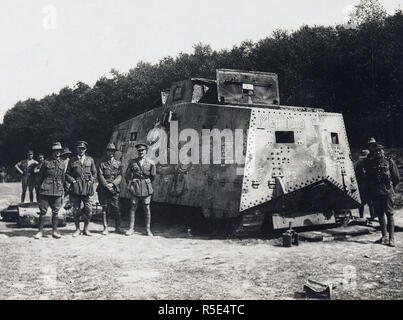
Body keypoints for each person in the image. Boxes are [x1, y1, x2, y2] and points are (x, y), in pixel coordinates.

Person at [362, 143, 400, 247]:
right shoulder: (371, 162)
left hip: (386, 192)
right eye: (376, 151)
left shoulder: (389, 162)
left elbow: (396, 178)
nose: (378, 152)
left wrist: (391, 189)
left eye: (380, 150)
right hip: (375, 192)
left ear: (383, 151)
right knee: (380, 214)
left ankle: (392, 238)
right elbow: (368, 177)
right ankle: (384, 236)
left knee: (389, 214)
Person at [65, 141, 97, 237]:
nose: (81, 150)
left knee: (89, 209)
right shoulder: (72, 160)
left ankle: (86, 229)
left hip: (87, 187)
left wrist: (92, 180)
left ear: (85, 150)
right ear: (77, 149)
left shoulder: (90, 160)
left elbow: (94, 173)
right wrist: (73, 181)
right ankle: (77, 229)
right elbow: (67, 174)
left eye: (83, 148)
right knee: (76, 209)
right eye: (79, 148)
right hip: (76, 188)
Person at [34, 142, 66, 239]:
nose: (57, 153)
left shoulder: (62, 163)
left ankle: (54, 231)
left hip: (57, 190)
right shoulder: (46, 163)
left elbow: (63, 178)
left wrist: (62, 190)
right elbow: (40, 178)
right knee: (43, 212)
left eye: (59, 151)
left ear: (61, 152)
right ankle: (40, 231)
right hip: (45, 190)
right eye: (55, 151)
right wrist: (40, 191)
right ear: (52, 152)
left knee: (56, 212)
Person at [125, 142, 156, 236]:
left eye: (142, 150)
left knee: (147, 207)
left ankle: (147, 229)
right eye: (139, 150)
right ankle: (131, 228)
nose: (141, 152)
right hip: (135, 187)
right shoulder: (132, 162)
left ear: (146, 151)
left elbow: (153, 176)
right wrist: (130, 184)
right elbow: (127, 175)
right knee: (133, 207)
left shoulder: (151, 163)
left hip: (146, 187)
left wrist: (147, 183)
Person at [97, 143, 123, 235]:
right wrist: (106, 185)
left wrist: (113, 184)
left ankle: (118, 227)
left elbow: (120, 176)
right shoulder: (101, 163)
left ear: (114, 152)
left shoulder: (118, 163)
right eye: (109, 151)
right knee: (105, 208)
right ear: (107, 152)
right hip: (103, 189)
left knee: (116, 208)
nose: (110, 153)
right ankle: (105, 227)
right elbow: (100, 175)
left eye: (112, 151)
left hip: (114, 189)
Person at [355, 149, 375, 220]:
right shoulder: (366, 163)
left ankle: (362, 216)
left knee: (364, 202)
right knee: (369, 202)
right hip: (366, 184)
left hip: (362, 185)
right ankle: (371, 217)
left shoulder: (358, 163)